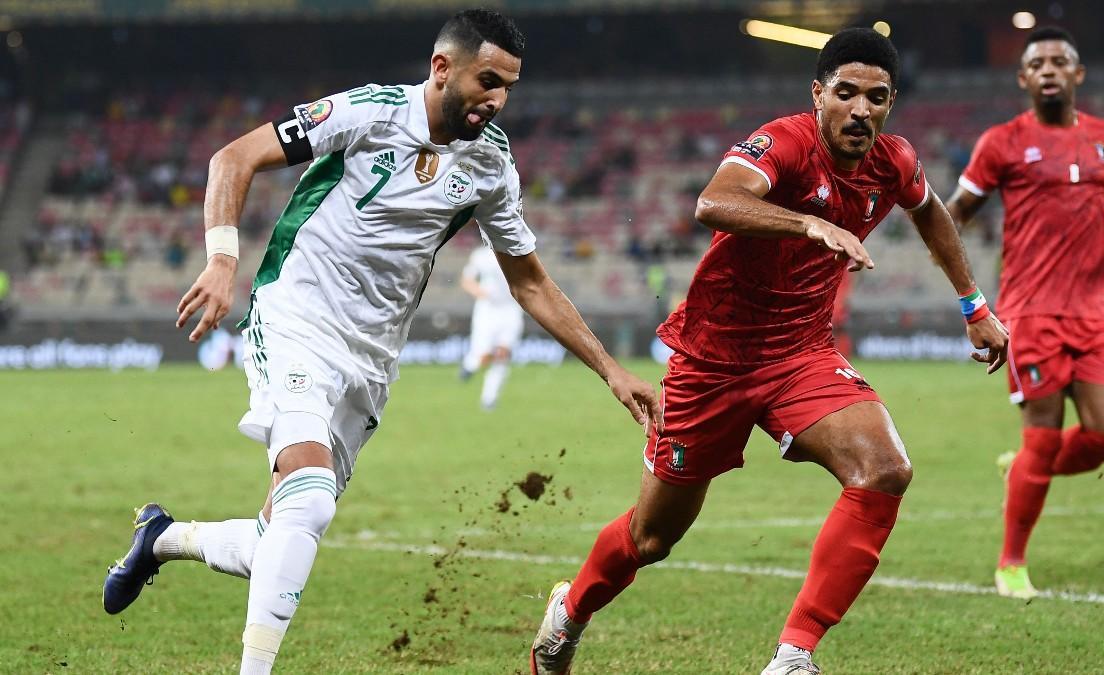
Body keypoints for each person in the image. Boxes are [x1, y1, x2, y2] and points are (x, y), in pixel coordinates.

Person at [101, 10, 662, 674]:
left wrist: (609, 368)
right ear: (441, 69)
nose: (498, 100)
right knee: (306, 496)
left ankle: (162, 537)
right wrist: (223, 259)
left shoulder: (489, 162)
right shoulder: (367, 112)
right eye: (488, 80)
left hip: (371, 358)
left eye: (508, 86)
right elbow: (236, 157)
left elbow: (531, 282)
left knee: (278, 535)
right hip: (295, 315)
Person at [530, 27, 1009, 675]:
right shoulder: (783, 141)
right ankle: (569, 614)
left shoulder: (894, 161)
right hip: (713, 360)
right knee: (652, 536)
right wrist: (808, 221)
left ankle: (792, 656)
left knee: (885, 468)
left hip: (801, 354)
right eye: (846, 94)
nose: (860, 111)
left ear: (891, 103)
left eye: (877, 97)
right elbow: (714, 201)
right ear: (818, 94)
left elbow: (931, 213)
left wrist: (973, 304)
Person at [946, 26, 1104, 600]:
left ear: (1078, 75)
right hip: (1029, 312)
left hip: (1093, 313)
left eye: (1060, 61)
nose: (1049, 70)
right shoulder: (1002, 142)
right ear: (1022, 79)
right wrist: (964, 286)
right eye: (1038, 63)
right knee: (1043, 435)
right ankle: (1011, 563)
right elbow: (953, 213)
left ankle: (1022, 469)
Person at [459, 240, 524, 409]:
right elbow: (467, 280)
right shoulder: (480, 256)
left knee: (503, 353)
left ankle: (489, 398)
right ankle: (470, 364)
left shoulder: (516, 251)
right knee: (484, 356)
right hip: (488, 310)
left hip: (511, 308)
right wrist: (480, 292)